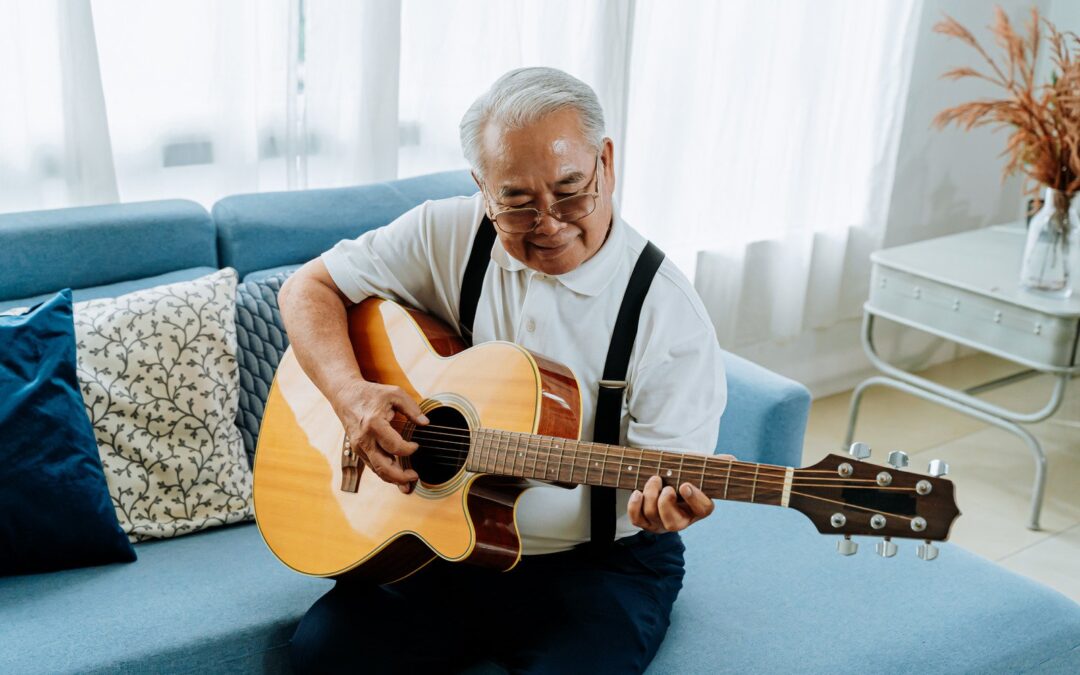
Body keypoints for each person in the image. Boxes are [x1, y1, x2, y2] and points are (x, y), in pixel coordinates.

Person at [280, 66, 727, 674]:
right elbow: (309, 287)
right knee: (321, 656)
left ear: (608, 163)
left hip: (597, 565)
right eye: (516, 202)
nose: (549, 222)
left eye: (571, 190)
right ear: (482, 187)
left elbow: (669, 481)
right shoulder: (451, 232)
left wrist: (664, 507)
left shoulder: (669, 315)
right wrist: (350, 395)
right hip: (445, 540)